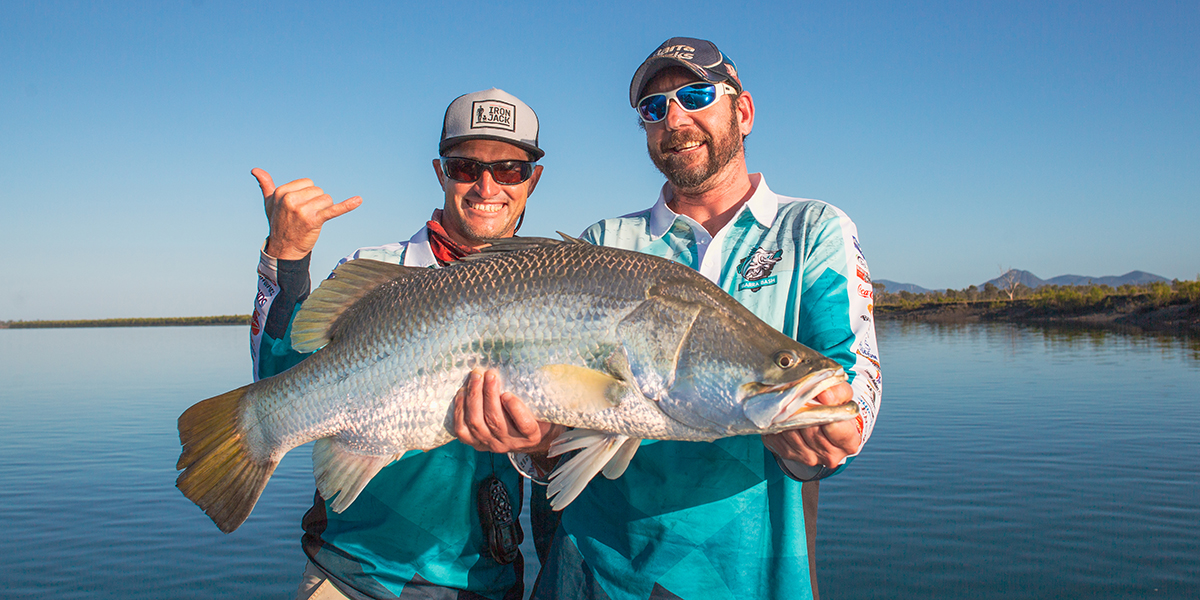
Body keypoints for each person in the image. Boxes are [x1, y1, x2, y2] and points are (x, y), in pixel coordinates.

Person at [455, 38, 882, 600]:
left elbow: (856, 376)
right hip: (595, 572)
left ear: (743, 110)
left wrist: (837, 432)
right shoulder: (605, 243)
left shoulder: (812, 230)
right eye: (654, 109)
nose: (674, 118)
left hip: (753, 574)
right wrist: (533, 445)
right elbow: (563, 428)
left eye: (696, 95)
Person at [250, 88, 555, 600]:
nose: (486, 186)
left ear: (532, 180)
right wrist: (286, 256)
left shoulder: (553, 284)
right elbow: (277, 377)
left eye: (508, 170)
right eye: (464, 166)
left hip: (487, 584)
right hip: (353, 577)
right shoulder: (372, 271)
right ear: (440, 172)